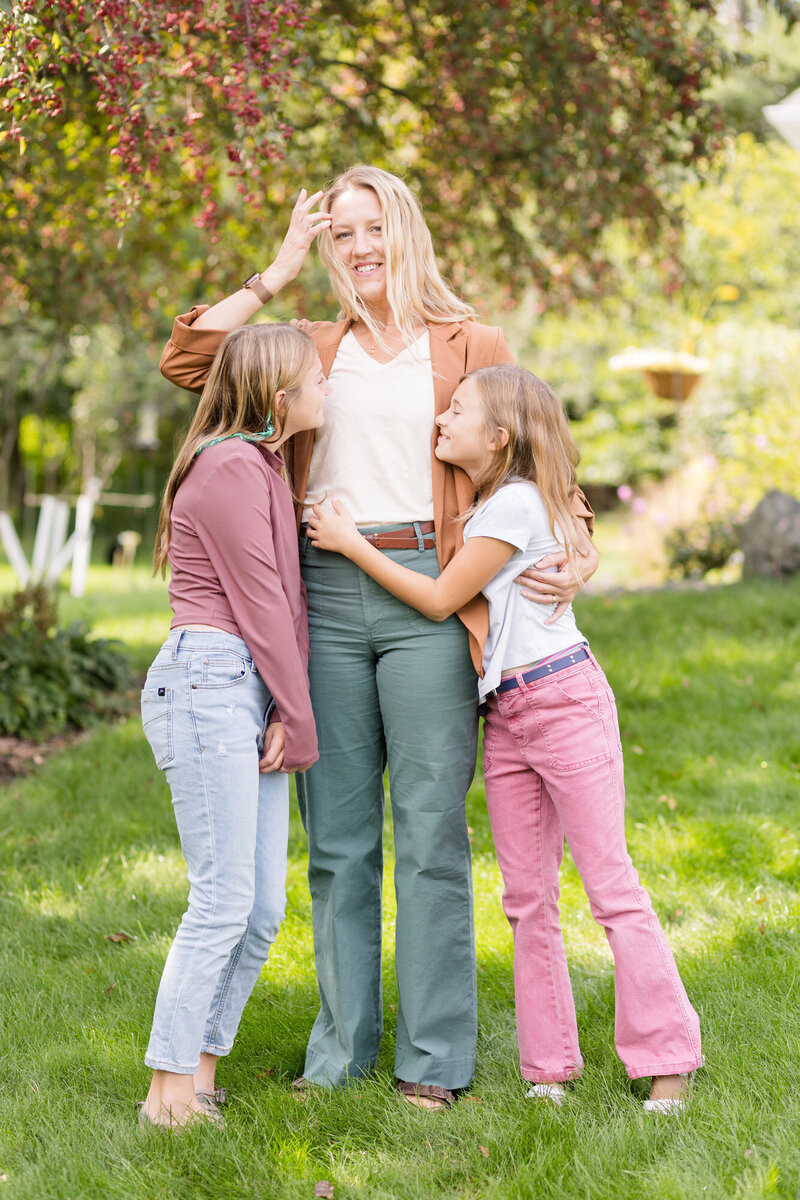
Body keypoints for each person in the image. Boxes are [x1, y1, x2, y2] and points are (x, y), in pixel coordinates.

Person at [158, 165, 599, 1110]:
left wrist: (583, 549)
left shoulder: (470, 340)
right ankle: (341, 1052)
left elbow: (539, 456)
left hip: (432, 591)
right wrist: (273, 272)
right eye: (339, 235)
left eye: (373, 229)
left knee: (432, 830)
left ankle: (433, 1062)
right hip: (321, 589)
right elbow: (191, 362)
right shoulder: (312, 344)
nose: (358, 249)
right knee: (338, 840)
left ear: (406, 232)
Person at [306, 363, 703, 1112]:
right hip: (508, 714)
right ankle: (548, 1068)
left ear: (500, 436)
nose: (439, 421)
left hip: (562, 699)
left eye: (456, 411)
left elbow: (438, 597)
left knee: (609, 885)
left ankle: (668, 1057)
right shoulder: (502, 499)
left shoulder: (513, 505)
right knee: (527, 898)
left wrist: (351, 543)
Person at [139, 323, 327, 1129]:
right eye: (317, 379)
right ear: (281, 399)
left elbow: (282, 603)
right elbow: (258, 604)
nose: (329, 390)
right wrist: (299, 713)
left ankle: (203, 1074)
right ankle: (165, 1096)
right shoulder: (229, 466)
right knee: (220, 901)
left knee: (258, 913)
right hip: (210, 681)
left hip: (240, 686)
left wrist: (281, 700)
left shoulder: (262, 465)